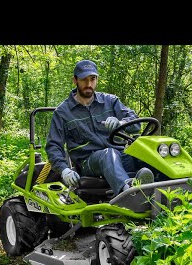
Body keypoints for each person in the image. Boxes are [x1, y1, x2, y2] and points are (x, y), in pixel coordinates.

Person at [45, 59, 155, 196]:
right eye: (84, 79)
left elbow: (136, 124)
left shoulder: (110, 101)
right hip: (89, 163)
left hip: (120, 156)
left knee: (148, 153)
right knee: (108, 154)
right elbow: (53, 146)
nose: (89, 84)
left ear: (97, 79)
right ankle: (129, 193)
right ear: (75, 80)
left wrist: (121, 123)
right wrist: (64, 170)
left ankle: (170, 189)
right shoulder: (63, 112)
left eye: (92, 79)